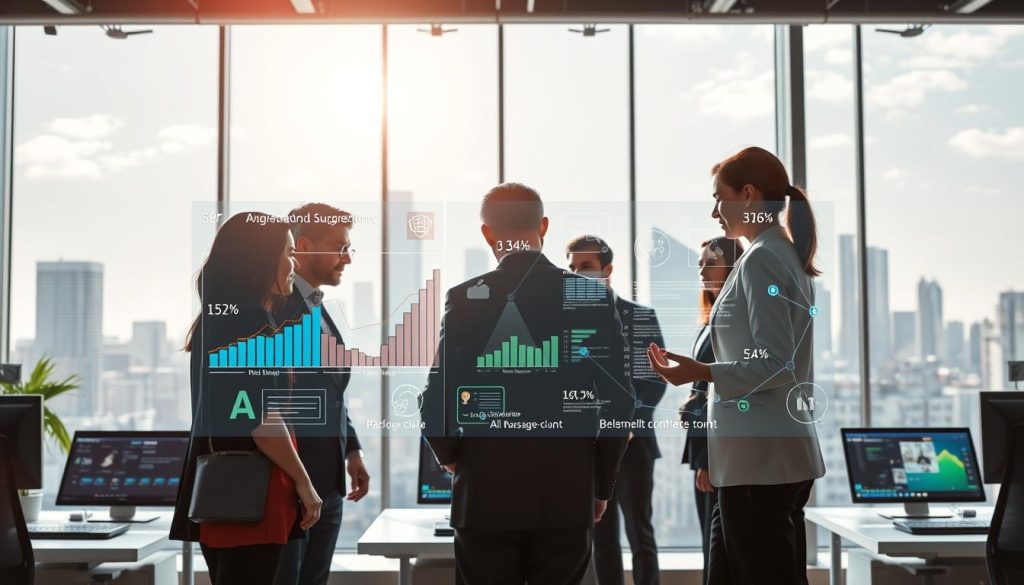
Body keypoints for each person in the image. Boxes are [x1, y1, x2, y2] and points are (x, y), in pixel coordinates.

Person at [422, 183, 635, 585]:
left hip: (485, 496)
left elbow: (438, 394)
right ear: (544, 226)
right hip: (566, 496)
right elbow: (619, 402)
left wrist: (453, 456)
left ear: (487, 233)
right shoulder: (591, 296)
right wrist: (599, 485)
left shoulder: (464, 298)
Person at [647, 147, 826, 585]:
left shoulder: (764, 258)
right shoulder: (779, 254)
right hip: (758, 460)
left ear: (747, 195)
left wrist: (701, 372)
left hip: (760, 462)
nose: (714, 211)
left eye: (718, 197)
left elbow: (776, 362)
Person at [171, 212, 323, 585]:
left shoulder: (215, 321)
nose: (295, 263)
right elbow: (260, 419)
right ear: (259, 259)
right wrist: (305, 482)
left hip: (220, 489)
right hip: (253, 492)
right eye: (288, 252)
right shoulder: (251, 322)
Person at [274, 203, 370, 585]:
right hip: (290, 485)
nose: (347, 258)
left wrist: (352, 451)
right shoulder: (275, 309)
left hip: (327, 486)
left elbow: (330, 391)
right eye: (339, 247)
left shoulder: (319, 308)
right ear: (304, 245)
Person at [565, 235, 665, 585]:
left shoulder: (640, 316)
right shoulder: (567, 323)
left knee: (641, 534)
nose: (577, 274)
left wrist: (629, 421)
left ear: (608, 270)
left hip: (635, 446)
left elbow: (656, 380)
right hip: (589, 449)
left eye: (586, 267)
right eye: (572, 267)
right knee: (602, 539)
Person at [681, 237, 741, 585]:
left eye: (709, 263)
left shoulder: (731, 321)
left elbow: (720, 391)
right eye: (700, 263)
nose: (701, 269)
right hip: (704, 447)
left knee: (718, 550)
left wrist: (706, 459)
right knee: (712, 546)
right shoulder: (711, 320)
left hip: (715, 451)